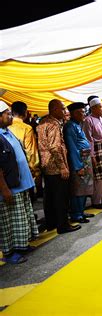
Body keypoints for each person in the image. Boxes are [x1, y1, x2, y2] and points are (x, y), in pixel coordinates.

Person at [0, 101, 39, 264]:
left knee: (22, 218)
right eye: (7, 113)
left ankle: (22, 245)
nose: (11, 116)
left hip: (20, 184)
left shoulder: (7, 132)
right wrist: (4, 189)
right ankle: (10, 253)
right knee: (10, 223)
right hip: (10, 188)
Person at [37, 99, 80, 234]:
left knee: (49, 197)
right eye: (62, 109)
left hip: (46, 165)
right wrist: (63, 167)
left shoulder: (43, 122)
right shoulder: (54, 125)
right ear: (54, 109)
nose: (65, 111)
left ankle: (51, 223)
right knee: (61, 197)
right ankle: (63, 225)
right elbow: (55, 147)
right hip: (55, 166)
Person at [64, 102, 94, 223]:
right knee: (78, 189)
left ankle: (81, 211)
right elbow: (72, 148)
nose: (84, 114)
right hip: (79, 160)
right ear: (74, 113)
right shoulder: (70, 126)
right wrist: (78, 166)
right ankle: (76, 214)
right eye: (81, 112)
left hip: (85, 158)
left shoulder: (77, 124)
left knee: (85, 188)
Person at [9, 101, 41, 200]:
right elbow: (31, 152)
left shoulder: (5, 126)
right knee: (27, 197)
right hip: (24, 168)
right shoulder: (26, 128)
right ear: (25, 112)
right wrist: (35, 171)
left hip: (8, 168)